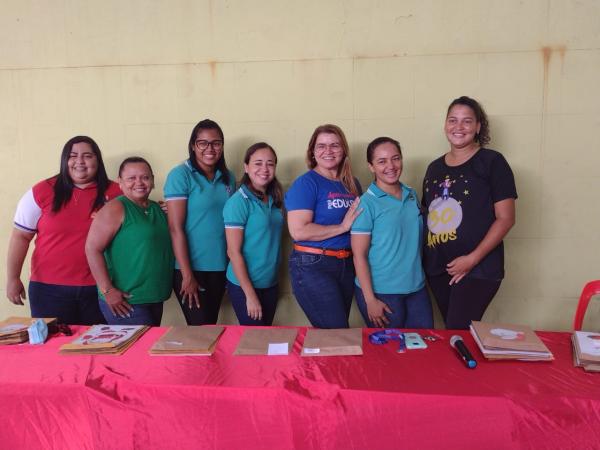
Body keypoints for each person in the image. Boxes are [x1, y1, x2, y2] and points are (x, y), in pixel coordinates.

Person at [422, 96, 517, 329]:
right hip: (439, 269)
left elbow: (506, 218)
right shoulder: (434, 167)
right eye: (453, 120)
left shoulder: (492, 162)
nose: (459, 127)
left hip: (478, 268)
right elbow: (430, 214)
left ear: (478, 127)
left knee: (458, 330)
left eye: (467, 121)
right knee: (453, 333)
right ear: (445, 125)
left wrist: (471, 260)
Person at [6, 136, 121, 324]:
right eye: (73, 156)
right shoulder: (41, 191)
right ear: (64, 160)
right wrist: (12, 278)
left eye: (87, 156)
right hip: (48, 290)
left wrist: (159, 209)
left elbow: (140, 223)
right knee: (51, 349)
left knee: (99, 349)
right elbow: (20, 237)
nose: (80, 162)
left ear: (97, 160)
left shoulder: (119, 192)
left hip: (101, 290)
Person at [285, 124, 362, 329]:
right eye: (321, 146)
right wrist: (342, 227)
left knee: (334, 333)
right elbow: (298, 230)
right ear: (312, 152)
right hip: (313, 265)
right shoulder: (306, 183)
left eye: (334, 145)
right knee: (336, 332)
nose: (328, 151)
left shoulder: (352, 184)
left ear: (344, 149)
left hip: (346, 265)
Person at [351, 137, 433, 329]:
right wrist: (370, 300)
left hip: (417, 289)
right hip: (382, 293)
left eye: (396, 158)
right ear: (371, 166)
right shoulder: (366, 203)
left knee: (423, 351)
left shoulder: (412, 194)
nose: (391, 166)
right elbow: (359, 255)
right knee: (390, 355)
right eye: (382, 161)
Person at [85, 157, 173, 326]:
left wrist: (173, 212)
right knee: (139, 350)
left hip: (154, 297)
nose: (139, 182)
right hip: (126, 301)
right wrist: (108, 290)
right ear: (120, 182)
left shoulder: (157, 209)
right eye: (131, 178)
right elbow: (92, 249)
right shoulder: (115, 208)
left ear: (153, 180)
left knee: (147, 349)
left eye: (145, 177)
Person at [164, 119, 235, 325]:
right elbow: (175, 228)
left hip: (221, 266)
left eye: (216, 143)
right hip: (191, 268)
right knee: (200, 332)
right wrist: (187, 275)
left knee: (210, 327)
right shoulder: (180, 175)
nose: (210, 148)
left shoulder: (227, 177)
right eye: (203, 143)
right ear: (193, 146)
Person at [223, 143, 284, 326]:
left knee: (264, 340)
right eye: (258, 163)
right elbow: (233, 252)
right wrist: (250, 295)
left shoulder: (274, 199)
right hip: (246, 286)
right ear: (246, 167)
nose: (264, 169)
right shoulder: (238, 202)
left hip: (270, 283)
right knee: (254, 344)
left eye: (270, 164)